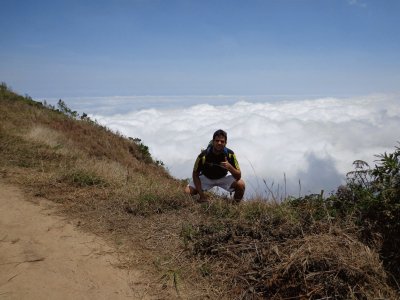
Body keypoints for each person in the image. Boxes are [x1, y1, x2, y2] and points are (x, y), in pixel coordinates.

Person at [185, 129, 245, 202]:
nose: (219, 143)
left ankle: (235, 205)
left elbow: (238, 176)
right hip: (207, 178)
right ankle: (202, 199)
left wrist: (230, 167)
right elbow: (195, 174)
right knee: (187, 192)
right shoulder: (203, 156)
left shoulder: (230, 154)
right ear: (213, 141)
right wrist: (201, 195)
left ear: (225, 143)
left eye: (222, 141)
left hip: (223, 177)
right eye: (217, 141)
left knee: (241, 184)